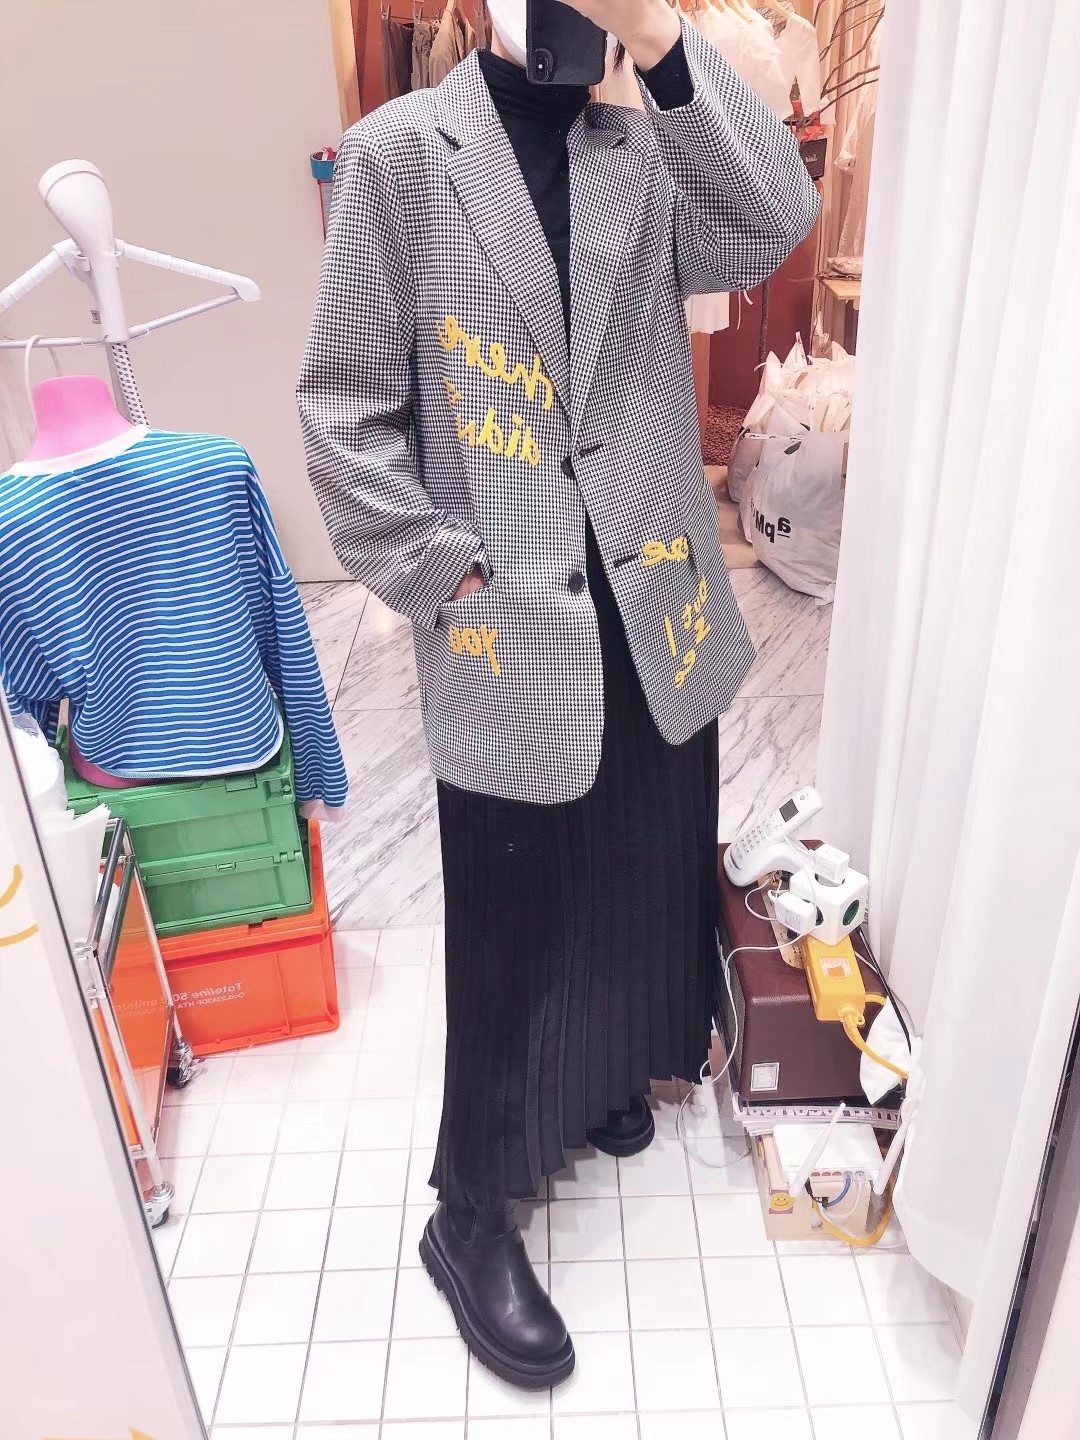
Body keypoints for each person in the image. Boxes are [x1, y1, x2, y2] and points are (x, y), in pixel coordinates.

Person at [298, 0, 819, 1391]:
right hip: (507, 617)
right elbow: (341, 405)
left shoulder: (642, 153)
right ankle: (470, 1215)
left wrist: (659, 35)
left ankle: (597, 1085)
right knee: (517, 911)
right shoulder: (402, 156)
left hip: (654, 599)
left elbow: (774, 219)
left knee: (643, 863)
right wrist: (442, 573)